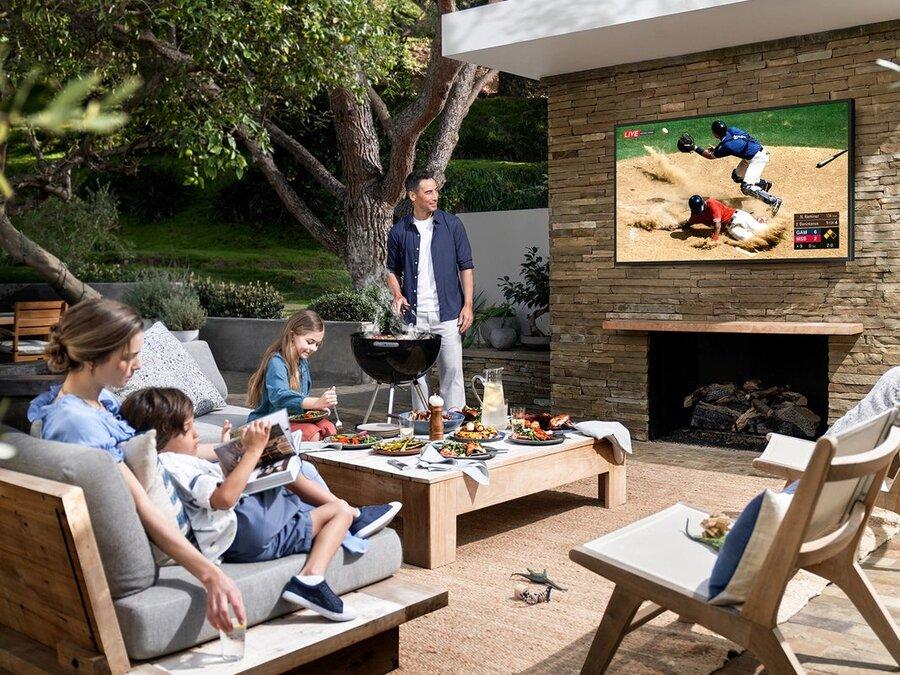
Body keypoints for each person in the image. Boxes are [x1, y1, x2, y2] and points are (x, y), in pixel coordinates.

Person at [27, 298, 244, 634]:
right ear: (90, 358)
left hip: (189, 491)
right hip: (193, 523)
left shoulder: (100, 401)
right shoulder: (77, 424)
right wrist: (210, 573)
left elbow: (154, 457)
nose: (138, 366)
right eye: (128, 357)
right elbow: (142, 505)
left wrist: (233, 449)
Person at [120, 388, 397, 621]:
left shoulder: (169, 460)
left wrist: (234, 449)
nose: (195, 435)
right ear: (163, 436)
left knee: (279, 466)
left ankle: (353, 514)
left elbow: (210, 486)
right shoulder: (179, 465)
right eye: (189, 429)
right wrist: (252, 451)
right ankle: (312, 576)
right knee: (336, 511)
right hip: (249, 530)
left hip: (243, 526)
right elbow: (224, 499)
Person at [386, 169, 475, 410]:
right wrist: (397, 294)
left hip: (448, 315)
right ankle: (423, 427)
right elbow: (391, 270)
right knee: (417, 376)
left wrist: (467, 305)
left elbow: (466, 266)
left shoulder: (452, 225)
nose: (435, 196)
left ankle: (454, 427)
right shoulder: (399, 231)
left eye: (436, 190)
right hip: (414, 318)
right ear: (413, 196)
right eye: (429, 192)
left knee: (452, 374)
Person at [246, 310, 336, 441]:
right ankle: (301, 461)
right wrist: (315, 402)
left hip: (291, 418)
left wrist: (319, 407)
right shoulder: (276, 362)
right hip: (268, 421)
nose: (314, 348)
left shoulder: (302, 363)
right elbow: (280, 397)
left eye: (317, 344)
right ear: (292, 335)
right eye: (310, 341)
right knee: (312, 433)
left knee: (329, 429)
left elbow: (300, 400)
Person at [678, 120, 782, 215]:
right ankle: (764, 185)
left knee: (746, 187)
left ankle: (773, 201)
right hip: (753, 154)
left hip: (757, 159)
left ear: (715, 134)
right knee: (737, 176)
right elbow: (737, 143)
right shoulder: (733, 130)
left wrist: (694, 147)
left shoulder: (726, 146)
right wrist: (719, 149)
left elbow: (709, 156)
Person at [684, 195, 770, 243]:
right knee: (751, 240)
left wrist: (714, 240)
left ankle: (760, 221)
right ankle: (756, 223)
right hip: (731, 228)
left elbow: (718, 225)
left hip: (738, 217)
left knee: (763, 231)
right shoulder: (696, 214)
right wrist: (677, 226)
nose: (700, 212)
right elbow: (689, 222)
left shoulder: (711, 203)